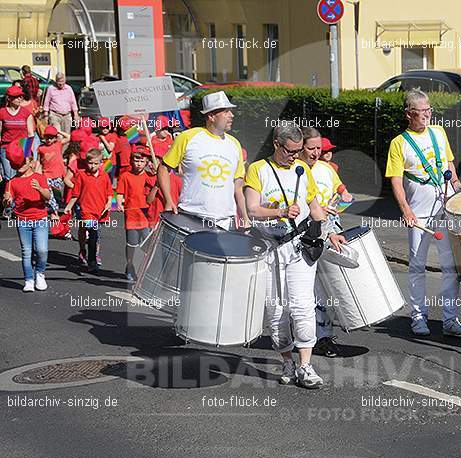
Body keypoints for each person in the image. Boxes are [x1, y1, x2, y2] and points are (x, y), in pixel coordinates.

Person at [245, 124, 346, 389]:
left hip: (299, 247)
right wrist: (279, 213)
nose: (294, 157)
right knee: (276, 312)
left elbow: (315, 209)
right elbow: (252, 210)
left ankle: (305, 366)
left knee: (302, 306)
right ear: (276, 145)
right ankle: (287, 361)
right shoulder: (258, 170)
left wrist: (331, 232)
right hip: (268, 249)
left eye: (298, 151)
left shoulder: (303, 171)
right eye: (290, 151)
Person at [385, 89, 461, 337]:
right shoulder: (399, 143)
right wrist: (406, 210)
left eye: (429, 110)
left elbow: (448, 164)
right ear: (408, 114)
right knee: (417, 265)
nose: (426, 116)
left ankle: (450, 319)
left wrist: (457, 185)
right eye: (420, 112)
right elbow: (396, 180)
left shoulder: (439, 132)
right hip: (418, 212)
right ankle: (418, 317)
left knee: (450, 265)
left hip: (443, 207)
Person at [158, 91, 249, 230]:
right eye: (226, 112)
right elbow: (164, 168)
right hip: (191, 217)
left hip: (225, 221)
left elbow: (237, 187)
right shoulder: (187, 137)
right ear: (211, 116)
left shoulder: (235, 144)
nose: (232, 115)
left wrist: (244, 217)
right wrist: (169, 200)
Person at [299, 127, 353, 358]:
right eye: (311, 148)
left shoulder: (326, 170)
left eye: (319, 148)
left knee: (323, 290)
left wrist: (333, 226)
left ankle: (322, 337)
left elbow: (338, 197)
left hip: (325, 234)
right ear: (300, 147)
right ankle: (300, 337)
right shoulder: (294, 171)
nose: (316, 153)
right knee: (305, 293)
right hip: (300, 238)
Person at [2, 140, 51, 292]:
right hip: (22, 220)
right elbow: (7, 203)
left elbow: (48, 197)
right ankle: (28, 279)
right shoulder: (12, 182)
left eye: (24, 163)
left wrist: (39, 189)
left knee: (42, 251)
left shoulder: (39, 177)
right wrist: (7, 201)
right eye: (18, 164)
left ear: (30, 162)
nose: (20, 167)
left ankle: (40, 274)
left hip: (40, 219)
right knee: (26, 251)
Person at [64, 148, 113, 272]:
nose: (93, 166)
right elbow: (76, 193)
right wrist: (69, 206)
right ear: (87, 162)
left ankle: (88, 254)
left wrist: (109, 204)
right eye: (90, 163)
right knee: (92, 233)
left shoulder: (105, 176)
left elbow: (109, 193)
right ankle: (92, 261)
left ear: (101, 163)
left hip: (100, 210)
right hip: (86, 210)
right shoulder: (81, 175)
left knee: (96, 235)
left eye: (96, 163)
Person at [116, 147, 155, 281]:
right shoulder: (125, 176)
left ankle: (143, 270)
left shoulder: (149, 176)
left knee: (146, 245)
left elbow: (157, 187)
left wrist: (155, 171)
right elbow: (120, 193)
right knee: (132, 244)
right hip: (131, 215)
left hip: (146, 215)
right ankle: (130, 265)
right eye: (136, 160)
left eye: (142, 161)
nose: (138, 163)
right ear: (131, 161)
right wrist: (119, 203)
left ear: (147, 162)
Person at [0, 85, 35, 187]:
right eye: (17, 96)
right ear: (9, 98)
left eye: (21, 96)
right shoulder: (2, 112)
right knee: (8, 175)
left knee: (21, 173)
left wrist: (28, 153)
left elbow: (30, 134)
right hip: (6, 146)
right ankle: (8, 197)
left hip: (21, 146)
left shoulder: (26, 113)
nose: (20, 98)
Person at [38, 125, 70, 210]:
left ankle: (56, 206)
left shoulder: (58, 144)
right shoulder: (41, 148)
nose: (49, 140)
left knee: (57, 193)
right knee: (50, 194)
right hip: (46, 174)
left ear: (56, 138)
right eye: (47, 137)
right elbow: (39, 161)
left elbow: (68, 137)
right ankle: (53, 211)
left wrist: (58, 131)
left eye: (51, 137)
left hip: (58, 174)